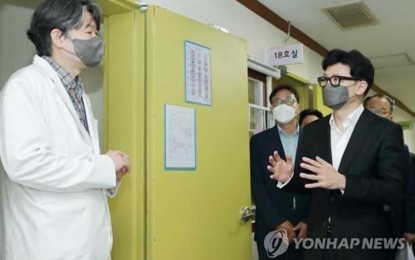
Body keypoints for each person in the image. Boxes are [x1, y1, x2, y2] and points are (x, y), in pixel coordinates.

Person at [0, 0, 130, 259]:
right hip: (46, 244)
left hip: (83, 242)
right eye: (89, 31)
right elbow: (24, 164)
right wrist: (103, 166)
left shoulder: (79, 92)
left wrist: (109, 175)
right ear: (58, 37)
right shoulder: (24, 86)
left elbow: (74, 160)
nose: (96, 39)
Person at [268, 49, 405, 260]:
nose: (327, 86)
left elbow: (394, 189)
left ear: (360, 86)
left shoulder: (385, 131)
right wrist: (288, 179)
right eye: (325, 79)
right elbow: (308, 183)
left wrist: (343, 182)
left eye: (336, 79)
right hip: (318, 244)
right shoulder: (314, 131)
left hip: (363, 245)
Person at [250, 84, 310, 260]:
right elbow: (256, 184)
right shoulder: (259, 142)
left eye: (289, 101)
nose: (283, 105)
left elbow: (320, 184)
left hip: (305, 229)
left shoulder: (314, 138)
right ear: (271, 108)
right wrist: (278, 222)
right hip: (271, 228)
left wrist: (308, 220)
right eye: (277, 101)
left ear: (298, 106)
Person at [364, 94, 415, 244]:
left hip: (391, 223)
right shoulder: (348, 145)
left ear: (391, 118)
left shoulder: (405, 154)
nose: (377, 116)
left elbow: (410, 191)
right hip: (355, 221)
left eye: (382, 111)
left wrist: (410, 226)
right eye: (372, 110)